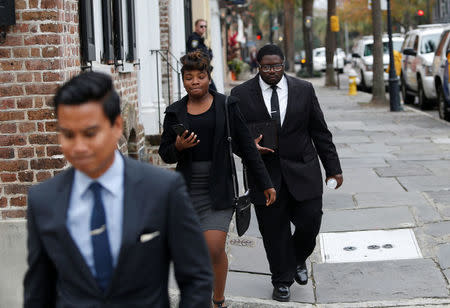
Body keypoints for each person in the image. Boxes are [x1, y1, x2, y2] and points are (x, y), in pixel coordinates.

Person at [23, 71, 213, 307]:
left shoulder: (163, 190)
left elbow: (196, 278)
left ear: (116, 126)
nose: (79, 147)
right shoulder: (43, 200)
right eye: (68, 135)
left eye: (90, 133)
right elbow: (38, 293)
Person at [159, 51, 276, 308]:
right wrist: (178, 146)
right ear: (183, 80)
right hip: (187, 190)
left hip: (219, 187)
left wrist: (266, 183)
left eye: (200, 76)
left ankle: (218, 300)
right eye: (188, 77)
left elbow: (246, 147)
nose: (195, 82)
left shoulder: (226, 105)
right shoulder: (174, 112)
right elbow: (165, 154)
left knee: (213, 247)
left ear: (208, 77)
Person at [230, 44, 343, 302]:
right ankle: (281, 280)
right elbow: (232, 137)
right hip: (264, 175)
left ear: (284, 64)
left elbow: (320, 132)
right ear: (258, 66)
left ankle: (297, 258)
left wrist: (333, 169)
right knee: (273, 232)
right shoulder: (240, 94)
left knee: (310, 222)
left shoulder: (304, 89)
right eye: (267, 66)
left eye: (277, 65)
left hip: (304, 170)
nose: (272, 71)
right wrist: (249, 147)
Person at [186, 19, 217, 92]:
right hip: (200, 69)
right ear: (196, 27)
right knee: (213, 91)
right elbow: (193, 53)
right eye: (201, 26)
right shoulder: (194, 39)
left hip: (204, 70)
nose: (204, 28)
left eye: (205, 26)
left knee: (211, 92)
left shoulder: (200, 39)